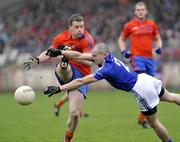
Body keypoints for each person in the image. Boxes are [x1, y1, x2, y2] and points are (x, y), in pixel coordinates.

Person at [44, 42, 179, 142]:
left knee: (154, 123)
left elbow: (81, 81)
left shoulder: (106, 69)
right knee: (171, 97)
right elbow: (79, 55)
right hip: (146, 79)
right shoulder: (107, 58)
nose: (92, 58)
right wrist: (61, 53)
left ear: (103, 55)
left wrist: (58, 88)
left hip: (142, 90)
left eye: (95, 56)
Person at [23, 13, 94, 142]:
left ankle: (67, 139)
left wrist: (66, 53)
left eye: (82, 26)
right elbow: (49, 52)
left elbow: (89, 62)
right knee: (64, 67)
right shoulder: (60, 38)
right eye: (77, 27)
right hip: (66, 72)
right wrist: (37, 60)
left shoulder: (87, 39)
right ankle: (64, 63)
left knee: (74, 114)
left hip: (82, 76)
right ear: (70, 28)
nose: (80, 30)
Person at [118, 1, 163, 128]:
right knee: (143, 86)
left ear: (146, 11)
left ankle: (142, 118)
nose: (140, 11)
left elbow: (158, 37)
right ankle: (145, 118)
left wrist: (159, 46)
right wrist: (123, 51)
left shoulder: (152, 24)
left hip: (150, 59)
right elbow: (121, 38)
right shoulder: (129, 25)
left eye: (142, 9)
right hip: (137, 58)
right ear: (135, 12)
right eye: (138, 10)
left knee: (151, 88)